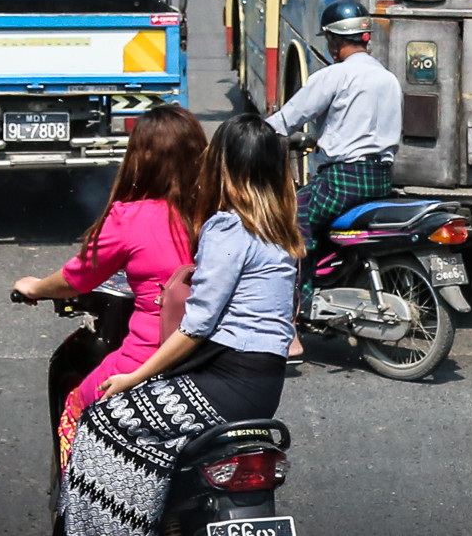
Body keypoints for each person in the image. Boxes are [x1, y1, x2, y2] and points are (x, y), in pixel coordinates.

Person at [59, 113, 302, 536]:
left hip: (227, 384)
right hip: (263, 386)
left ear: (223, 166)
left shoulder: (228, 226)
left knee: (103, 420)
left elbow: (196, 326)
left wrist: (133, 376)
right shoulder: (279, 231)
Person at [10, 105, 207, 481]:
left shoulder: (129, 218)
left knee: (74, 413)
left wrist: (34, 287)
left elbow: (76, 279)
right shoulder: (220, 212)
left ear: (140, 158)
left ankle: (80, 509)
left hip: (149, 356)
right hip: (218, 358)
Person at [264, 0, 402, 360]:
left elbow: (287, 119)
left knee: (289, 226)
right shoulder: (387, 79)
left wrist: (254, 134)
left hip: (343, 178)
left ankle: (289, 325)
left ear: (333, 40)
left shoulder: (334, 76)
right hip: (380, 179)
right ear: (364, 37)